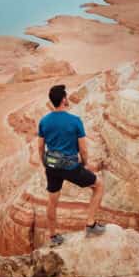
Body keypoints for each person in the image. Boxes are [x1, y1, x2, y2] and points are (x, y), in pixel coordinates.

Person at [34, 84, 105, 246]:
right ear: (64, 99)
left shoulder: (44, 121)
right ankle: (90, 225)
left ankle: (53, 236)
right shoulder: (75, 121)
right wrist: (84, 164)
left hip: (51, 166)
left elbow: (40, 146)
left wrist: (45, 163)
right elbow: (83, 149)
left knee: (52, 201)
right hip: (71, 167)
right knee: (99, 186)